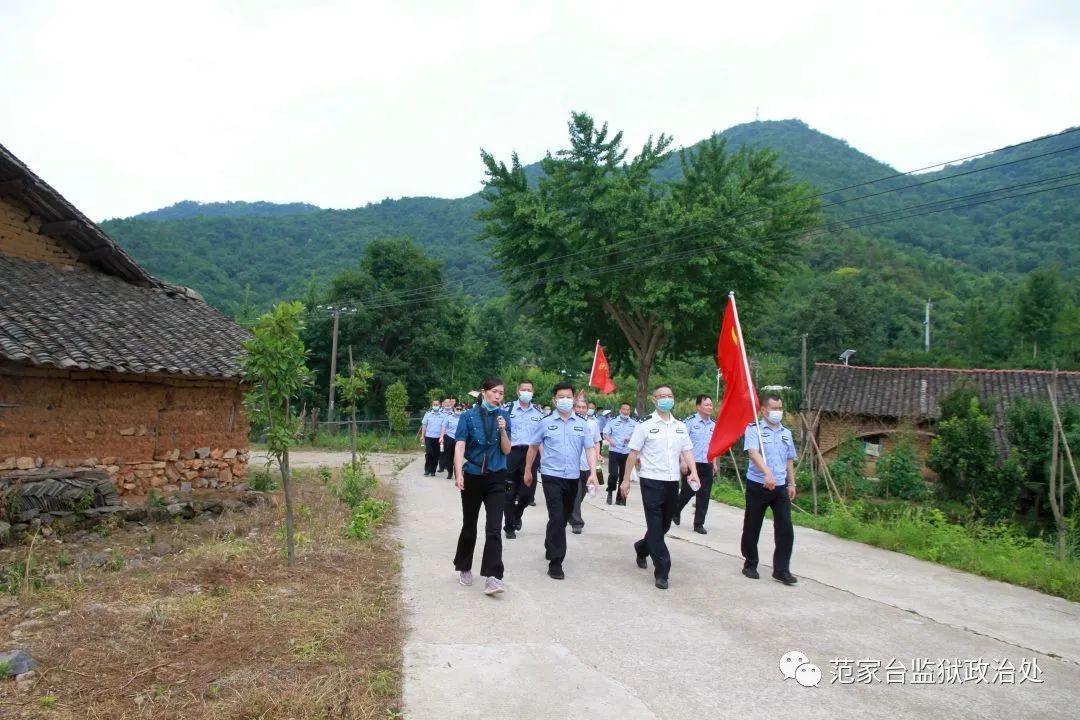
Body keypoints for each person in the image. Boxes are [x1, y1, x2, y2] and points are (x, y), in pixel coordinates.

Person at [620, 384, 698, 590]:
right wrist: (626, 480)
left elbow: (687, 451)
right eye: (662, 396)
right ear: (654, 400)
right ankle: (662, 570)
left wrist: (694, 472)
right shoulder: (645, 425)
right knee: (655, 525)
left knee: (664, 526)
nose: (666, 399)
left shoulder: (680, 426)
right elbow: (633, 454)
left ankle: (642, 547)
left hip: (672, 482)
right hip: (651, 481)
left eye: (670, 396)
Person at [525, 382, 597, 579]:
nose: (565, 400)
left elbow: (590, 449)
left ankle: (551, 543)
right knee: (557, 516)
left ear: (574, 399)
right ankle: (556, 562)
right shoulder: (546, 422)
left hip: (572, 478)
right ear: (554, 400)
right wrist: (527, 471)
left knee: (562, 518)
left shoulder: (582, 424)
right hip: (551, 476)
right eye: (561, 397)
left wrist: (592, 472)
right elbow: (533, 447)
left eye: (568, 396)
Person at [453, 377, 513, 595]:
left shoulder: (504, 416)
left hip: (496, 477)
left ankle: (493, 576)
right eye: (495, 392)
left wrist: (504, 431)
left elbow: (507, 450)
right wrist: (458, 473)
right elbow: (460, 446)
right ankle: (464, 566)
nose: (498, 396)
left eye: (501, 393)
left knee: (494, 527)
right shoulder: (468, 417)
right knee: (470, 525)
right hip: (473, 476)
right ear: (484, 392)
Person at [740, 394, 799, 585]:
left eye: (780, 408)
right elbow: (753, 453)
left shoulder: (786, 433)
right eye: (774, 408)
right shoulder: (753, 429)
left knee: (785, 528)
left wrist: (791, 483)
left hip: (780, 487)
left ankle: (781, 570)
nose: (778, 412)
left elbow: (789, 459)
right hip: (758, 484)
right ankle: (750, 563)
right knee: (752, 526)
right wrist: (767, 473)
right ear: (764, 410)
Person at [503, 380, 544, 539]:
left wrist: (544, 458)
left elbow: (540, 439)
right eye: (523, 389)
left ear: (533, 392)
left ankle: (517, 513)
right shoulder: (507, 409)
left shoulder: (538, 413)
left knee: (528, 493)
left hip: (530, 455)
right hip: (511, 454)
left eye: (529, 390)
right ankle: (509, 527)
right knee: (509, 492)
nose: (526, 392)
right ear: (517, 391)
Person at [674, 395, 719, 534]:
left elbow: (714, 445)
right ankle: (675, 511)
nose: (709, 407)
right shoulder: (690, 422)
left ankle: (698, 524)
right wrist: (682, 461)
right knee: (687, 492)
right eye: (706, 405)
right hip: (691, 463)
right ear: (698, 406)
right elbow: (682, 442)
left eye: (711, 405)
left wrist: (715, 463)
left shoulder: (714, 425)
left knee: (704, 495)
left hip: (707, 464)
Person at [569, 397, 602, 534]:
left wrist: (598, 454)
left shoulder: (593, 423)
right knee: (576, 493)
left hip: (588, 464)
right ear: (574, 408)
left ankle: (570, 512)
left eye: (584, 407)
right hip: (573, 464)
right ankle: (577, 522)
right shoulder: (569, 422)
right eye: (578, 407)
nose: (581, 410)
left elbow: (596, 441)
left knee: (583, 493)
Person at [603, 402, 637, 506]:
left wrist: (630, 438)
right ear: (620, 410)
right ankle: (610, 491)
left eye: (628, 410)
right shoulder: (612, 421)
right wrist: (610, 440)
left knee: (623, 476)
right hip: (614, 450)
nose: (626, 412)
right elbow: (605, 434)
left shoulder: (634, 423)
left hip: (626, 452)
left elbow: (638, 435)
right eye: (624, 409)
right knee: (613, 474)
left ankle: (620, 498)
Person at [420, 399, 446, 476]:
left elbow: (443, 427)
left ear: (440, 405)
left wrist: (442, 437)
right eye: (434, 404)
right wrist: (422, 436)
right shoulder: (427, 414)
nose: (435, 406)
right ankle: (427, 469)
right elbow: (424, 426)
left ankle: (433, 470)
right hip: (428, 437)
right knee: (429, 453)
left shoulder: (443, 416)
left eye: (437, 404)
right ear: (432, 405)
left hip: (438, 438)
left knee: (436, 455)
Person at [440, 399, 463, 480]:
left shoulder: (464, 417)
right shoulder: (449, 417)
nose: (459, 410)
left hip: (460, 439)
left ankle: (457, 473)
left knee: (458, 457)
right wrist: (441, 436)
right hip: (449, 438)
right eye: (457, 409)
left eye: (460, 409)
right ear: (454, 408)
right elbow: (443, 426)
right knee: (449, 457)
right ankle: (450, 472)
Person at [436, 397, 455, 474]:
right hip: (441, 434)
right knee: (441, 450)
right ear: (443, 403)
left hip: (449, 435)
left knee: (449, 451)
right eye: (446, 402)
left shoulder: (454, 412)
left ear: (451, 403)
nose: (447, 404)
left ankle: (448, 465)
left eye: (449, 402)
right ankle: (441, 466)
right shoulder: (439, 412)